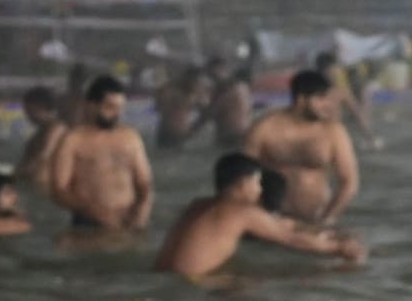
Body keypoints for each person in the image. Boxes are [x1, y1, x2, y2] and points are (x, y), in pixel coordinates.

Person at [154, 153, 367, 277]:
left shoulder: (198, 205)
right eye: (257, 183)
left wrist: (321, 233)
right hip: (192, 287)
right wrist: (339, 249)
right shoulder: (243, 212)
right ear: (243, 183)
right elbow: (291, 240)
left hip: (161, 279)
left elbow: (280, 225)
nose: (259, 191)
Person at [241, 69, 361, 224]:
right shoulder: (264, 128)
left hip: (316, 218)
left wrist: (328, 218)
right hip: (272, 219)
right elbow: (242, 176)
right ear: (301, 99)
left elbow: (349, 182)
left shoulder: (333, 132)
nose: (329, 105)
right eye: (321, 98)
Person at [49, 74, 154, 231]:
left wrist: (142, 209)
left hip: (130, 220)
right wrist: (93, 211)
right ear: (92, 105)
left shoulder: (131, 138)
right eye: (110, 108)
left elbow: (145, 183)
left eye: (120, 108)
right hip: (88, 222)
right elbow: (59, 190)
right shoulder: (73, 141)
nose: (117, 114)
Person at [315, 51, 374, 138]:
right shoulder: (315, 91)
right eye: (332, 73)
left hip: (332, 132)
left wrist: (369, 136)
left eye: (337, 72)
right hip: (321, 133)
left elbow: (357, 113)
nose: (336, 75)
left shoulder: (341, 91)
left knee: (361, 97)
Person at [15, 86, 66, 185]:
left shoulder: (57, 130)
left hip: (45, 189)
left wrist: (14, 176)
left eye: (28, 110)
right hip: (33, 187)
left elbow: (43, 158)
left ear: (39, 107)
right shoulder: (39, 134)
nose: (26, 115)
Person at [154, 67, 206, 150]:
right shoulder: (171, 90)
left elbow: (206, 111)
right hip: (170, 132)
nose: (197, 83)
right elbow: (158, 106)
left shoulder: (191, 92)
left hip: (176, 132)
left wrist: (194, 129)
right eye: (196, 80)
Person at [209, 65, 254, 149]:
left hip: (230, 134)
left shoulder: (231, 91)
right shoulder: (245, 90)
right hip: (246, 131)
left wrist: (191, 131)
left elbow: (211, 112)